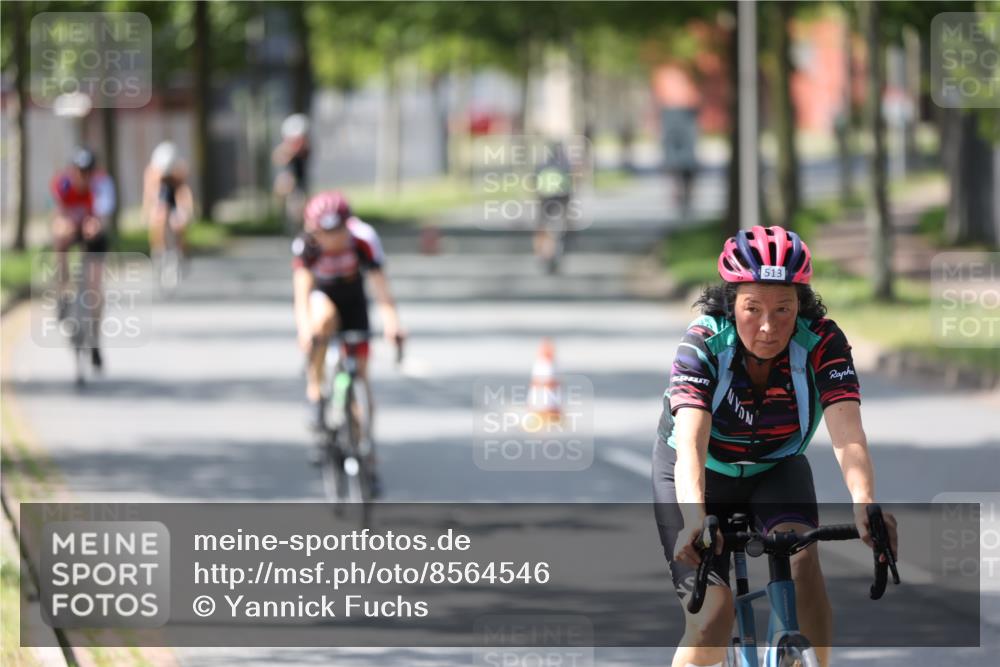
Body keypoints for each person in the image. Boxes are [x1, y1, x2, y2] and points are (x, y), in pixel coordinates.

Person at [652, 225, 898, 667]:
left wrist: (865, 503)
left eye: (783, 309)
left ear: (800, 305)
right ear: (731, 303)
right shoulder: (704, 343)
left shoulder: (822, 341)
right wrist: (694, 519)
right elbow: (690, 441)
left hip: (775, 467)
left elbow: (849, 435)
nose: (768, 326)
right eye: (752, 308)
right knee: (713, 615)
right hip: (699, 473)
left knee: (804, 563)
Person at [291, 191, 404, 486]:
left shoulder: (363, 240)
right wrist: (305, 331)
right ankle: (315, 392)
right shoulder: (306, 246)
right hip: (323, 296)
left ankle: (365, 453)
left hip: (354, 301)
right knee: (322, 321)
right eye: (325, 232)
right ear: (314, 230)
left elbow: (382, 290)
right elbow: (302, 294)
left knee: (361, 382)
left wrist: (392, 325)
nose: (333, 238)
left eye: (338, 230)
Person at [50, 147, 117, 369]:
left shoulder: (102, 185)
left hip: (93, 232)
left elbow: (103, 216)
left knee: (96, 288)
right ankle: (62, 293)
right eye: (79, 170)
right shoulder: (64, 184)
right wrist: (65, 225)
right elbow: (57, 214)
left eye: (87, 171)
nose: (83, 176)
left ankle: (95, 341)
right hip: (71, 228)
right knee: (60, 237)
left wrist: (95, 225)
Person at [143, 141, 195, 260]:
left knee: (179, 224)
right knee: (158, 219)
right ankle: (158, 250)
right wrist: (147, 212)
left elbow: (183, 192)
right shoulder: (152, 173)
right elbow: (149, 194)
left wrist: (186, 211)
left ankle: (181, 251)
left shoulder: (179, 171)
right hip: (161, 198)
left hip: (174, 200)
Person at [532, 140, 574, 267]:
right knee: (561, 223)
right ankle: (557, 246)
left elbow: (535, 180)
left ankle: (540, 252)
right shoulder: (565, 163)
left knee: (542, 225)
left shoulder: (542, 164)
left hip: (545, 197)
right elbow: (570, 182)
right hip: (560, 197)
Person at [273, 113, 311, 232]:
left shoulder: (305, 148)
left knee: (300, 207)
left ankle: (300, 227)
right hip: (289, 182)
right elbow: (278, 158)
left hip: (299, 184)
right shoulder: (286, 148)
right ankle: (287, 223)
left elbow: (305, 152)